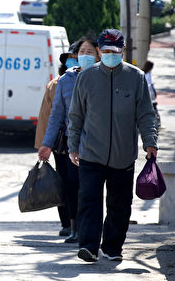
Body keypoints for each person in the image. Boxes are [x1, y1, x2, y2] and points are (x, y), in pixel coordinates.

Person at [67, 29, 158, 263]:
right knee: (89, 201)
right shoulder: (86, 78)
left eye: (114, 51)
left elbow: (146, 115)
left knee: (120, 206)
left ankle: (112, 247)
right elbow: (76, 115)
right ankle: (88, 246)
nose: (110, 54)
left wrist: (150, 142)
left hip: (123, 155)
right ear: (99, 50)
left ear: (122, 51)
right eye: (105, 50)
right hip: (90, 153)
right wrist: (73, 145)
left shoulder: (136, 77)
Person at [38, 36, 99, 243]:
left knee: (91, 187)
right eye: (80, 53)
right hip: (70, 143)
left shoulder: (104, 77)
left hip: (96, 143)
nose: (83, 57)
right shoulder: (64, 81)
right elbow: (55, 115)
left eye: (89, 52)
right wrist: (46, 144)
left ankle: (90, 229)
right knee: (71, 185)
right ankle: (74, 227)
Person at [34, 42, 78, 237]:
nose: (73, 62)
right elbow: (47, 116)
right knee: (63, 182)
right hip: (61, 144)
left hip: (81, 142)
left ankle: (78, 223)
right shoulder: (56, 84)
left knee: (78, 184)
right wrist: (45, 143)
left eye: (75, 58)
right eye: (70, 59)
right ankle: (67, 223)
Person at [142, 60, 161, 129]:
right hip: (149, 98)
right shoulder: (148, 75)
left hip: (147, 97)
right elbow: (149, 87)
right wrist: (152, 96)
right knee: (152, 111)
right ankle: (154, 125)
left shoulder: (144, 74)